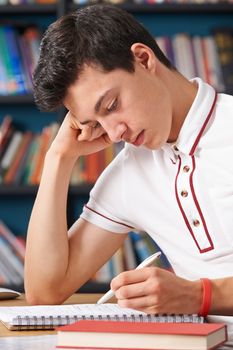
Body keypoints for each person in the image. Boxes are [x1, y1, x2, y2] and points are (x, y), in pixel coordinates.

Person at [25, 3, 233, 324]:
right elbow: (44, 291)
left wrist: (200, 295)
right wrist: (58, 158)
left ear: (144, 59)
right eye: (94, 122)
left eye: (112, 105)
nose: (115, 133)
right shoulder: (129, 172)